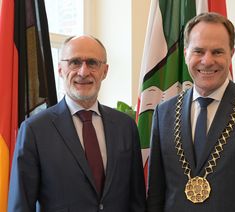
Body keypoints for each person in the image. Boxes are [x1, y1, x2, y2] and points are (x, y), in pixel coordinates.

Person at [146, 12, 235, 212]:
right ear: (185, 54)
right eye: (198, 51)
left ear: (231, 54)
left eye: (217, 52)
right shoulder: (164, 112)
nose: (207, 61)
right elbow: (156, 195)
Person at [8, 35, 146, 212]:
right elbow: (21, 205)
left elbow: (137, 201)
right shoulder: (35, 130)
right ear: (60, 69)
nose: (83, 72)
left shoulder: (125, 126)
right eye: (74, 62)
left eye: (92, 63)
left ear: (105, 71)